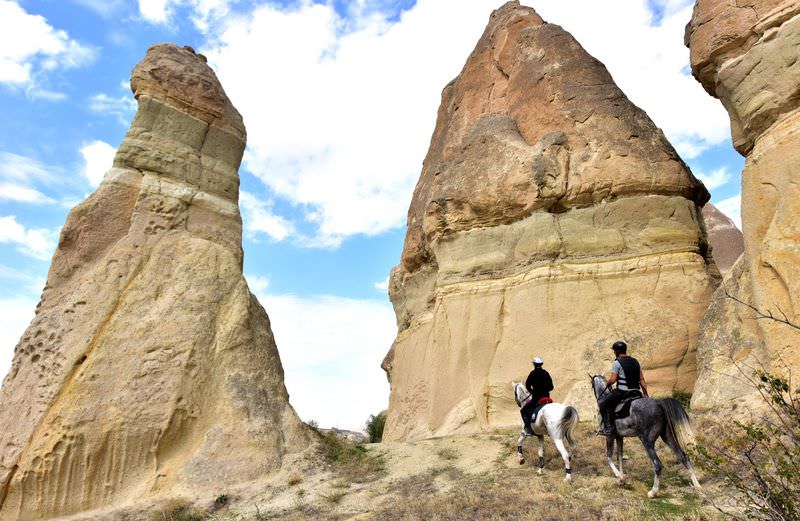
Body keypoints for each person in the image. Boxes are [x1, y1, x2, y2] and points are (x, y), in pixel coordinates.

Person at [597, 340, 649, 436]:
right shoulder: (635, 361)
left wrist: (608, 383)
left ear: (617, 351)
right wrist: (645, 393)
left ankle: (607, 429)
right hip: (636, 392)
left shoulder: (617, 363)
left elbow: (613, 380)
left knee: (602, 404)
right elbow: (642, 379)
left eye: (614, 351)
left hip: (622, 392)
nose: (614, 352)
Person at [520, 356, 554, 434]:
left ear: (534, 364)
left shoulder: (532, 373)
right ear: (541, 364)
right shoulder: (546, 373)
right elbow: (551, 387)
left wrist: (532, 392)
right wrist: (545, 390)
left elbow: (527, 385)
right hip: (547, 398)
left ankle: (529, 429)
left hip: (537, 398)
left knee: (523, 410)